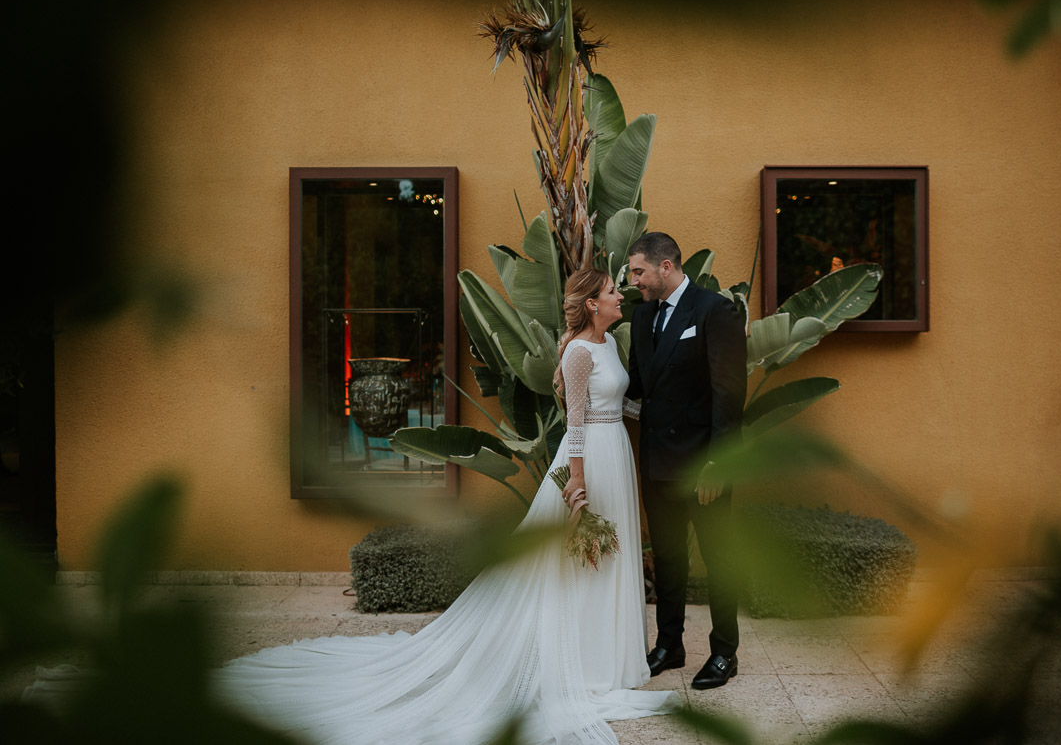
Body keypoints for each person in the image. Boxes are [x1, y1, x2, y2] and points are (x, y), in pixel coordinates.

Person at [209, 268, 677, 744]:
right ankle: (589, 668)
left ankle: (615, 661)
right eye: (613, 291)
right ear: (592, 304)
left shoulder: (611, 344)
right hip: (589, 461)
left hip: (616, 453)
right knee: (578, 565)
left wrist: (661, 414)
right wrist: (576, 484)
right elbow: (574, 421)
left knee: (609, 558)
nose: (622, 296)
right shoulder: (577, 352)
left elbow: (616, 404)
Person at [625, 232, 747, 691]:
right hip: (656, 461)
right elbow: (637, 385)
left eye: (639, 271)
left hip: (703, 464)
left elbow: (730, 393)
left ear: (667, 267)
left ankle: (723, 652)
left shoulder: (714, 310)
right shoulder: (641, 317)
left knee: (718, 559)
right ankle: (669, 645)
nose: (633, 280)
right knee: (670, 558)